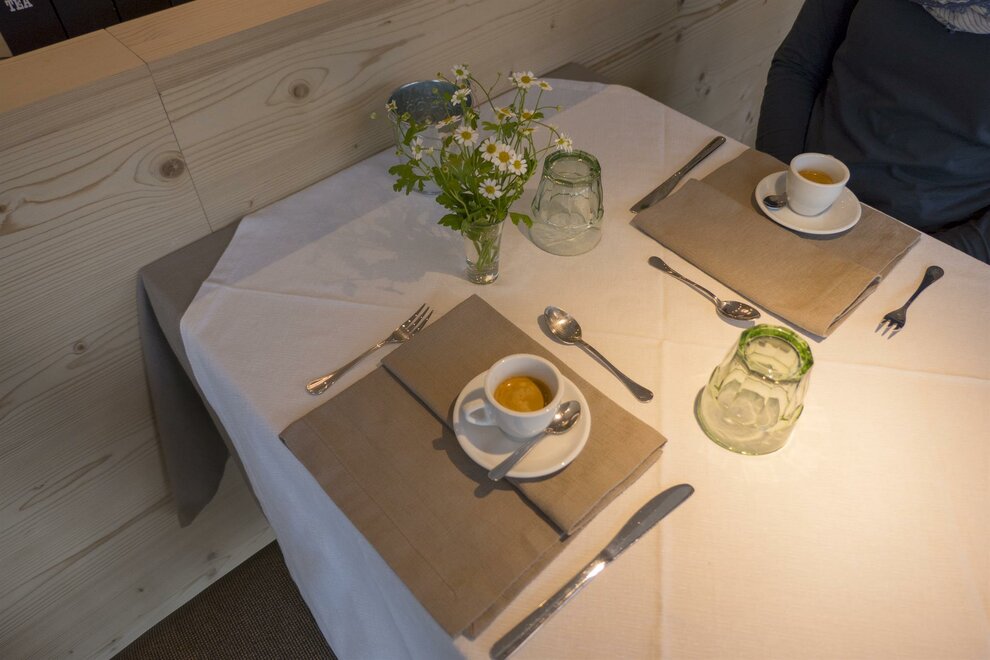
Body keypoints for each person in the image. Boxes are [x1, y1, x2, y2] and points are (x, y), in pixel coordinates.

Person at [756, 0, 990, 263]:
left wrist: (924, 259)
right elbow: (798, 65)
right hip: (799, 195)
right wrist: (782, 178)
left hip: (932, 246)